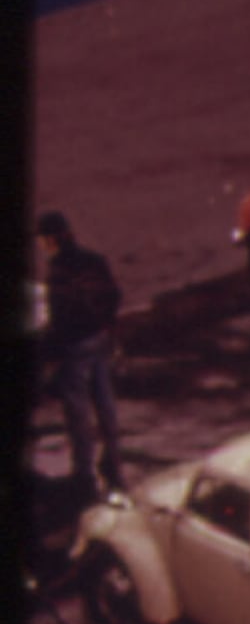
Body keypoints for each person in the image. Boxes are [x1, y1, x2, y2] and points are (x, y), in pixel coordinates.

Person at [37, 212, 126, 495]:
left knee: (78, 413)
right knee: (104, 400)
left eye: (42, 239)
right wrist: (107, 327)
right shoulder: (93, 259)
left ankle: (84, 472)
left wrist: (49, 354)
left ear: (51, 239)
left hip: (75, 348)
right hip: (99, 339)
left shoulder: (58, 272)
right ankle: (112, 458)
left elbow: (60, 320)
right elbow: (115, 295)